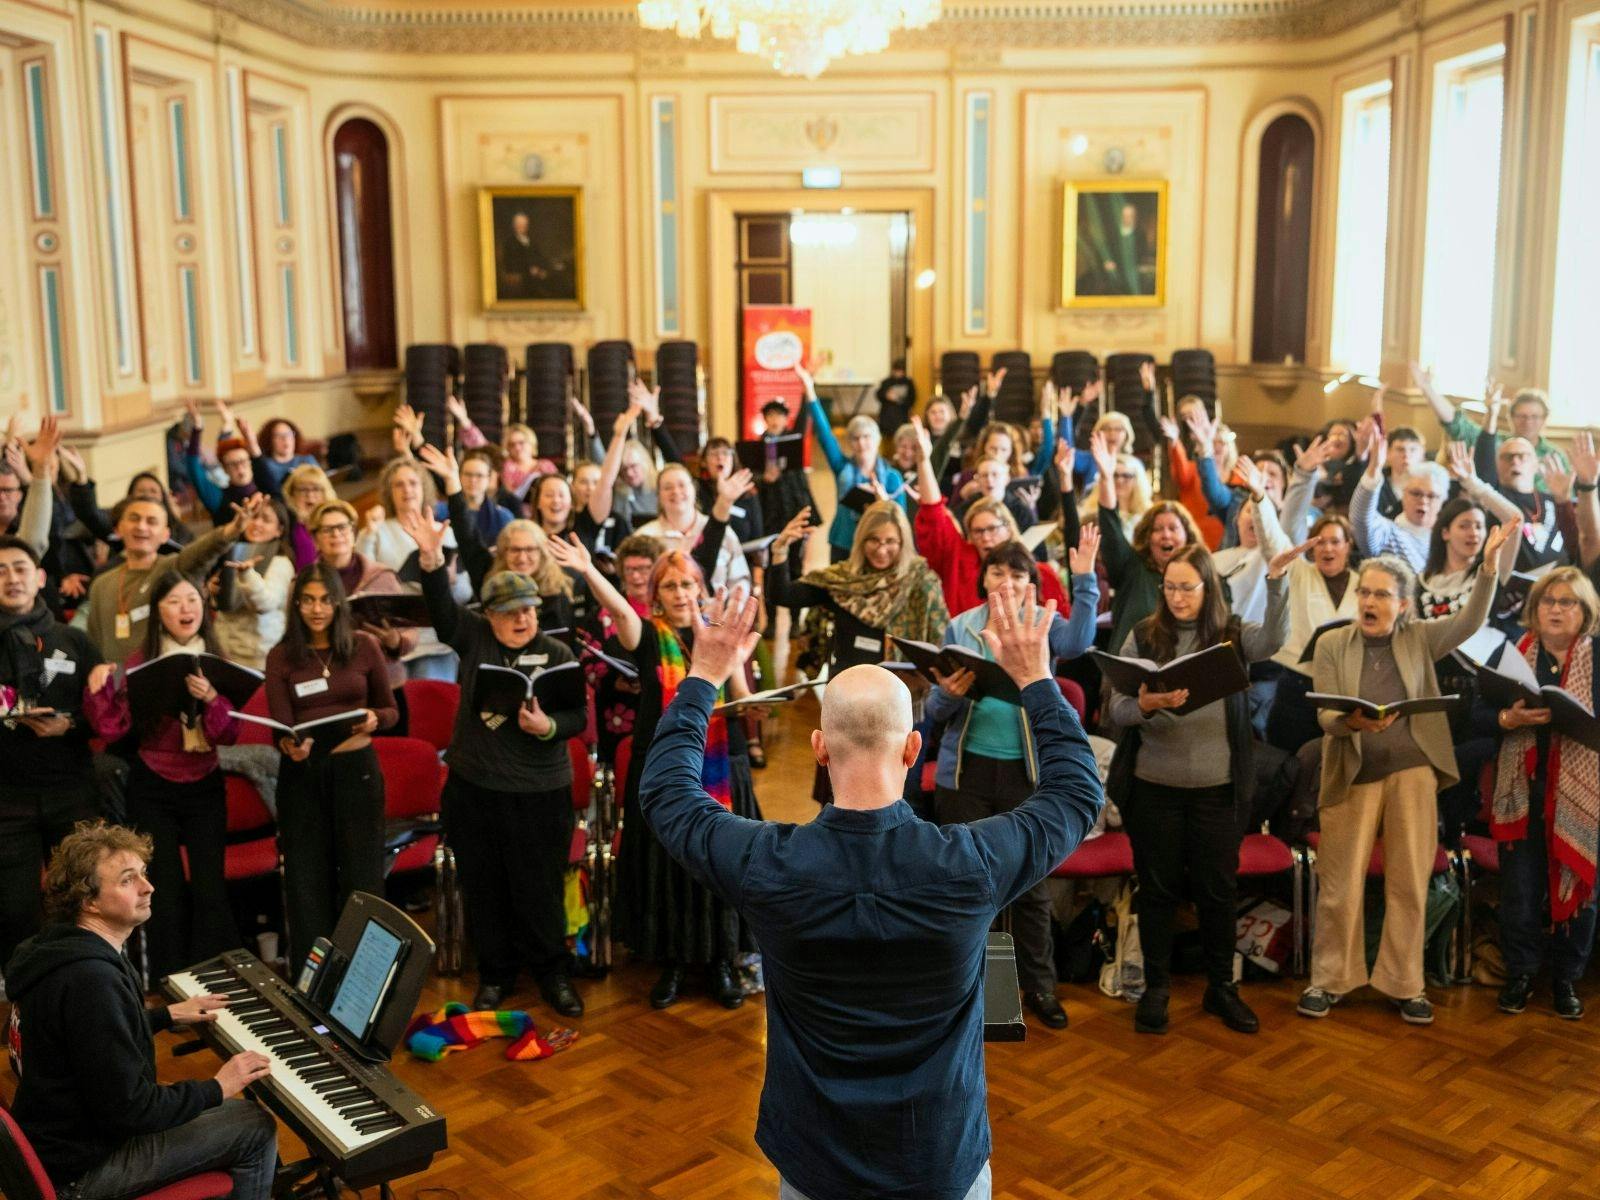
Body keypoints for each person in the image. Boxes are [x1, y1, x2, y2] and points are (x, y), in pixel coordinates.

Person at [637, 579, 1103, 1200]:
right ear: (914, 748)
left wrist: (702, 675)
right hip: (939, 1160)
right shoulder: (970, 865)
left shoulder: (768, 865)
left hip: (815, 1164)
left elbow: (667, 794)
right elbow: (1075, 793)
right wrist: (1036, 681)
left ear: (819, 748)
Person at [1298, 520, 1513, 1025]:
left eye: (1382, 595)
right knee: (1340, 884)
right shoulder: (1332, 644)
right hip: (1352, 771)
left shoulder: (1420, 639)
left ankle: (1404, 983)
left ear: (1403, 604)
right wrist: (1347, 721)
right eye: (1364, 593)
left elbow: (1471, 620)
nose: (1369, 603)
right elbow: (1324, 713)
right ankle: (1329, 980)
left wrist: (1487, 569)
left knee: (1410, 882)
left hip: (1413, 772)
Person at [5, 820, 276, 1199]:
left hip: (53, 1144)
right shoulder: (92, 980)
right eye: (128, 880)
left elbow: (85, 1040)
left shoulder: (54, 950)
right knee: (253, 1124)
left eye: (144, 873)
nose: (148, 887)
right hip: (82, 1173)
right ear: (91, 900)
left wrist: (164, 1016)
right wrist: (218, 1085)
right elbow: (133, 1110)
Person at [545, 534, 757, 1010]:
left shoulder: (720, 633)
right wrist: (588, 570)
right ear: (655, 595)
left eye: (688, 584)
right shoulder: (646, 635)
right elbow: (620, 611)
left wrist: (742, 672)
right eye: (670, 586)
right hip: (663, 765)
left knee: (719, 860)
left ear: (702, 588)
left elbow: (743, 701)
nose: (681, 594)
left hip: (722, 761)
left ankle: (721, 960)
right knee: (669, 866)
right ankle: (674, 963)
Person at [1105, 540, 1297, 1035]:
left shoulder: (1230, 634)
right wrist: (1147, 705)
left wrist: (1276, 582)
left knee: (1217, 890)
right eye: (1169, 587)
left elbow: (1274, 639)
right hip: (1154, 786)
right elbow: (1116, 710)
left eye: (1186, 587)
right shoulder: (1145, 637)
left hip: (1218, 787)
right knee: (1159, 891)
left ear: (1207, 587)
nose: (1176, 597)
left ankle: (1221, 989)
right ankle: (1156, 989)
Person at [404, 510, 588, 1018]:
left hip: (540, 791)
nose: (522, 619)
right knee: (484, 886)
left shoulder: (556, 650)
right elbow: (441, 609)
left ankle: (553, 973)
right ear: (489, 615)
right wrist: (430, 558)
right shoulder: (473, 638)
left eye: (528, 610)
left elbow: (576, 714)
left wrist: (547, 727)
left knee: (541, 888)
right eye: (510, 612)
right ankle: (496, 975)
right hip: (475, 788)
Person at [924, 534, 1101, 1029]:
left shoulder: (1041, 627)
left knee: (1032, 886)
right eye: (998, 572)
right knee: (962, 882)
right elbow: (933, 711)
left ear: (1031, 584)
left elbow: (1080, 640)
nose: (1007, 582)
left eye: (1019, 574)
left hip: (1027, 773)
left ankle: (1040, 987)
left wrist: (1084, 578)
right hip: (967, 771)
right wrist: (948, 695)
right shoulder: (962, 626)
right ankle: (958, 988)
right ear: (983, 578)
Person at [83, 574, 241, 979]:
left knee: (211, 888)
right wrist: (100, 689)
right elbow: (113, 730)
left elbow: (228, 734)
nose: (186, 609)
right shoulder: (139, 662)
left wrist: (211, 699)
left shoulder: (218, 659)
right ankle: (173, 981)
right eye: (174, 601)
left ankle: (217, 977)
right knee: (162, 892)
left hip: (205, 781)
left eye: (193, 599)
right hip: (152, 784)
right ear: (158, 612)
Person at [264, 563, 397, 964]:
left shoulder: (363, 646)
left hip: (356, 770)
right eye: (308, 600)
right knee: (307, 881)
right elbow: (279, 727)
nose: (317, 609)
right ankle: (314, 979)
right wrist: (290, 745)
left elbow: (391, 710)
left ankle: (368, 971)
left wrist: (376, 718)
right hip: (304, 773)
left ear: (339, 602)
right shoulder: (282, 656)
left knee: (363, 875)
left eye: (325, 599)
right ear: (296, 605)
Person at [1489, 566, 1600, 1019]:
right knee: (1519, 888)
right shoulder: (1513, 652)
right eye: (1548, 602)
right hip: (1523, 790)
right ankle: (1520, 973)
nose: (1556, 609)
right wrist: (1506, 720)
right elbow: (1476, 715)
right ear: (1534, 610)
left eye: (1567, 602)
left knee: (1582, 886)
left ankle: (1566, 979)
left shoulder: (1597, 658)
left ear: (1585, 611)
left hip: (1584, 794)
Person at [0, 535, 103, 972]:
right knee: (14, 911)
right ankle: (27, 999)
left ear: (40, 577)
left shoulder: (73, 640)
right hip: (7, 798)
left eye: (20, 568)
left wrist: (70, 723)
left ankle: (88, 985)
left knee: (81, 902)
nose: (11, 578)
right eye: (0, 571)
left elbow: (105, 717)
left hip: (70, 787)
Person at [84, 493, 257, 665]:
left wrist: (234, 529)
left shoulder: (174, 569)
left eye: (151, 521)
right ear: (118, 528)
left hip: (159, 676)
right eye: (134, 519)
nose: (141, 527)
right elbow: (94, 642)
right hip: (113, 683)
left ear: (166, 534)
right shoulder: (101, 583)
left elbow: (203, 551)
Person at [356, 458, 468, 681]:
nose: (407, 490)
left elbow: (464, 594)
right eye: (399, 484)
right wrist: (367, 535)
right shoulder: (376, 532)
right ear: (390, 491)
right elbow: (360, 581)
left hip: (435, 643)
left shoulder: (443, 531)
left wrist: (450, 581)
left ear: (423, 488)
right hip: (389, 642)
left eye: (413, 483)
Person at [1264, 514, 1360, 754]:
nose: (1327, 548)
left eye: (1335, 541)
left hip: (1342, 690)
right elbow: (1272, 539)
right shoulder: (1300, 574)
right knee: (1289, 763)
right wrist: (1259, 499)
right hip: (1297, 688)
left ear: (1347, 545)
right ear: (1311, 547)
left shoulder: (1363, 585)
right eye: (1320, 541)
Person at [795, 364, 908, 561]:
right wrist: (810, 392)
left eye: (866, 437)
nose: (861, 442)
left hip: (877, 546)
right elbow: (825, 434)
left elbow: (900, 519)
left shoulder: (892, 477)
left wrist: (884, 503)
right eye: (855, 438)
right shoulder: (842, 467)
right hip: (843, 542)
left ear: (877, 440)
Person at [1416, 363, 1568, 488]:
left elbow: (1568, 496)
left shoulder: (1554, 456)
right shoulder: (1495, 442)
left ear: (1545, 419)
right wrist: (1427, 389)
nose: (1528, 422)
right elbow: (1456, 423)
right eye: (1522, 416)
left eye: (1534, 417)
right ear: (1511, 417)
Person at [635, 463, 751, 591]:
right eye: (668, 487)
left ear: (694, 489)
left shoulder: (723, 532)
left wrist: (731, 607)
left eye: (682, 485)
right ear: (658, 496)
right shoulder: (644, 537)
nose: (676, 491)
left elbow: (741, 580)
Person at [211, 497, 296, 670]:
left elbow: (265, 604)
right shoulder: (233, 552)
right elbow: (224, 606)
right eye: (253, 517)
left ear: (279, 530)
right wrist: (213, 592)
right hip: (224, 651)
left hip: (259, 657)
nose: (257, 523)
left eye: (266, 519)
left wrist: (247, 574)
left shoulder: (280, 562)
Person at [253, 417, 317, 496]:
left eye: (289, 434)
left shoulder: (308, 460)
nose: (285, 439)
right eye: (279, 435)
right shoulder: (265, 466)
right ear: (270, 440)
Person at [874, 357, 917, 439]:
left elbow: (912, 399)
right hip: (886, 415)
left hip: (901, 414)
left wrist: (899, 400)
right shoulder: (886, 382)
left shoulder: (908, 383)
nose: (898, 373)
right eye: (896, 370)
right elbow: (878, 395)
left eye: (900, 371)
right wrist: (886, 396)